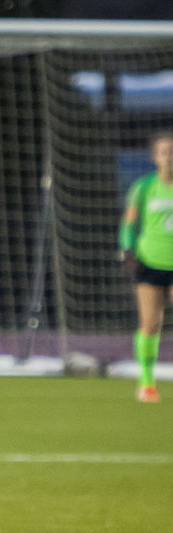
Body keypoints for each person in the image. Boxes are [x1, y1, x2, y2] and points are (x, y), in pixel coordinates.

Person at [118, 131, 173, 403]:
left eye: (172, 152)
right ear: (155, 157)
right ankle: (147, 383)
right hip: (150, 261)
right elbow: (129, 222)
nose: (169, 157)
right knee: (150, 323)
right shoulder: (144, 187)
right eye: (164, 152)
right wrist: (127, 248)